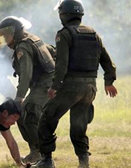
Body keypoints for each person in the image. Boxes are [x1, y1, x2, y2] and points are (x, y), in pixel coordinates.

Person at [32, 0, 118, 168]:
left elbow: (61, 64)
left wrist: (55, 86)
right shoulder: (94, 34)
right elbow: (107, 61)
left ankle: (47, 160)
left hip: (71, 86)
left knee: (46, 119)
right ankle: (83, 162)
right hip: (90, 88)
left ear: (64, 15)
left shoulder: (64, 34)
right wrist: (109, 81)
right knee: (79, 126)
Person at [0, 16, 56, 164]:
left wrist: (19, 97)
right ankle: (36, 151)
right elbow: (53, 52)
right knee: (22, 113)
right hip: (45, 82)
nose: (5, 39)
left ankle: (40, 153)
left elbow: (26, 73)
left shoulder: (22, 47)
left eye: (7, 35)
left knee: (29, 111)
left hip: (45, 83)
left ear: (15, 32)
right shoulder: (31, 38)